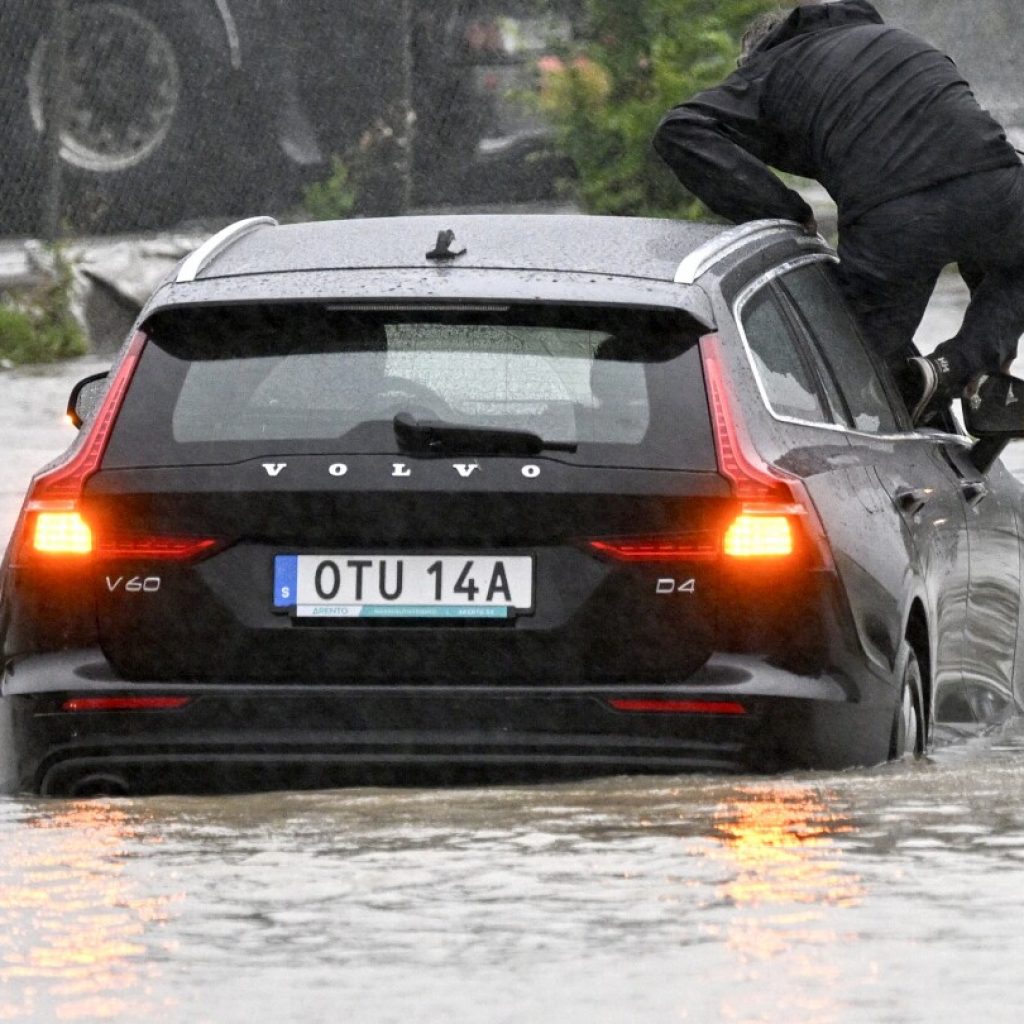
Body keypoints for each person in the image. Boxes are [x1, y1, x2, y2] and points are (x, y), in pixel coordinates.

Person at [652, 0, 1024, 423]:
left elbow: (679, 130)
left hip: (895, 220)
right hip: (999, 185)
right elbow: (971, 204)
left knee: (856, 373)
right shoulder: (901, 42)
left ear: (757, 54)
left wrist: (785, 211)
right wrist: (987, 349)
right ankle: (951, 371)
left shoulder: (773, 68)